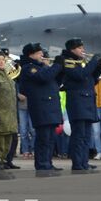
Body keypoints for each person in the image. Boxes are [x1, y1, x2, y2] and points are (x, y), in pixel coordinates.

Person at [19, 43, 63, 177]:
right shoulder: (29, 68)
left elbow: (56, 81)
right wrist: (56, 65)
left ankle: (48, 163)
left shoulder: (42, 67)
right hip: (41, 107)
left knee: (50, 138)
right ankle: (42, 166)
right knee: (43, 138)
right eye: (38, 53)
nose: (42, 56)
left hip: (50, 106)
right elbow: (43, 77)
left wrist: (60, 69)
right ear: (31, 55)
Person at [59, 39, 101, 173]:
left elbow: (91, 79)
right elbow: (80, 75)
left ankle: (84, 162)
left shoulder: (81, 62)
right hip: (77, 102)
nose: (82, 50)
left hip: (87, 101)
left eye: (82, 47)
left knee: (86, 136)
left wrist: (99, 66)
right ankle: (78, 164)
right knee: (78, 135)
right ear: (72, 49)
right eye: (79, 48)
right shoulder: (68, 61)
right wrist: (93, 62)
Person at [0, 48, 18, 179]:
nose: (2, 62)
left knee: (7, 143)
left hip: (10, 115)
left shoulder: (7, 76)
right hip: (0, 114)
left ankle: (2, 163)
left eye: (3, 60)